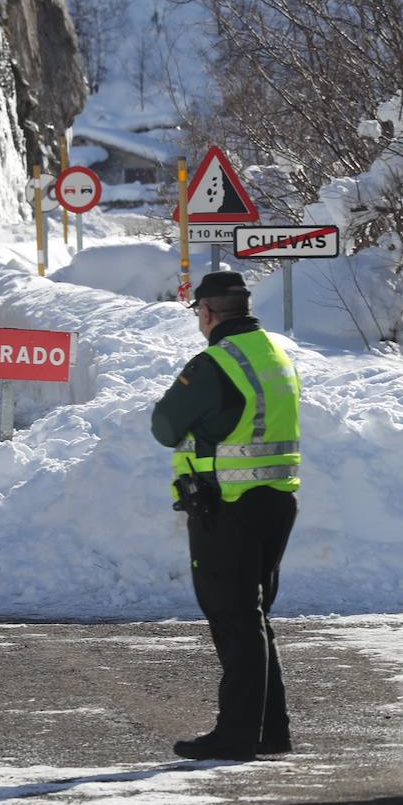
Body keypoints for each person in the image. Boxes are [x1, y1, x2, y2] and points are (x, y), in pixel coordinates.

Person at [151, 271, 302, 762]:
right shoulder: (275, 353)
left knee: (234, 619)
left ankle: (237, 733)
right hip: (276, 500)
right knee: (253, 617)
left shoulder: (216, 364)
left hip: (229, 504)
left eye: (199, 312)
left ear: (208, 312)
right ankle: (270, 729)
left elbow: (165, 425)